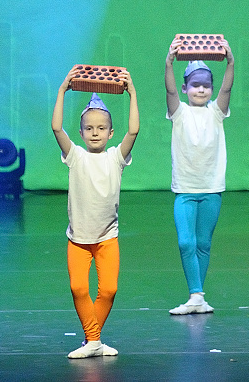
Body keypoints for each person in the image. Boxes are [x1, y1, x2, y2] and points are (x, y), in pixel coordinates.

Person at [52, 66, 139, 358]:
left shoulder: (116, 157)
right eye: (89, 128)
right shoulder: (75, 155)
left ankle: (92, 341)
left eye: (101, 128)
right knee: (78, 289)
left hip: (107, 238)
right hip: (78, 238)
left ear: (110, 132)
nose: (95, 133)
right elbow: (56, 128)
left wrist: (132, 93)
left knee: (109, 290)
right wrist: (62, 90)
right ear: (81, 132)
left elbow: (134, 130)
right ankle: (93, 341)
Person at [164, 38, 234, 315]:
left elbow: (227, 88)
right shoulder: (179, 113)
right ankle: (196, 296)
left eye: (206, 85)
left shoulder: (216, 113)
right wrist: (169, 63)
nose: (201, 89)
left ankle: (197, 297)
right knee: (186, 242)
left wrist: (231, 62)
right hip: (185, 189)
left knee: (203, 243)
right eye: (195, 84)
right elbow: (169, 90)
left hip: (212, 188)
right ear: (186, 88)